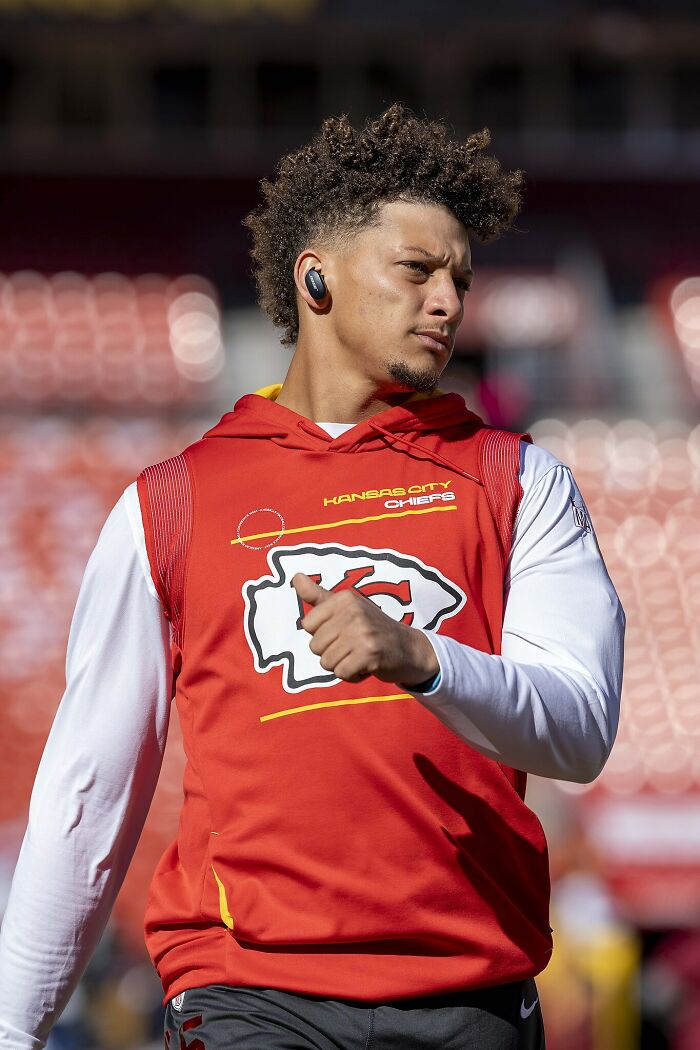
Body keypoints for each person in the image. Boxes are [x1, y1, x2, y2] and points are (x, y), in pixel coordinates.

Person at [0, 104, 624, 1050]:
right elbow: (91, 785)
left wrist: (423, 660)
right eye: (417, 271)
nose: (450, 301)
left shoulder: (520, 480)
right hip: (249, 995)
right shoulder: (172, 504)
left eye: (460, 276)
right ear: (316, 276)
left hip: (471, 997)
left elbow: (578, 731)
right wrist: (16, 1025)